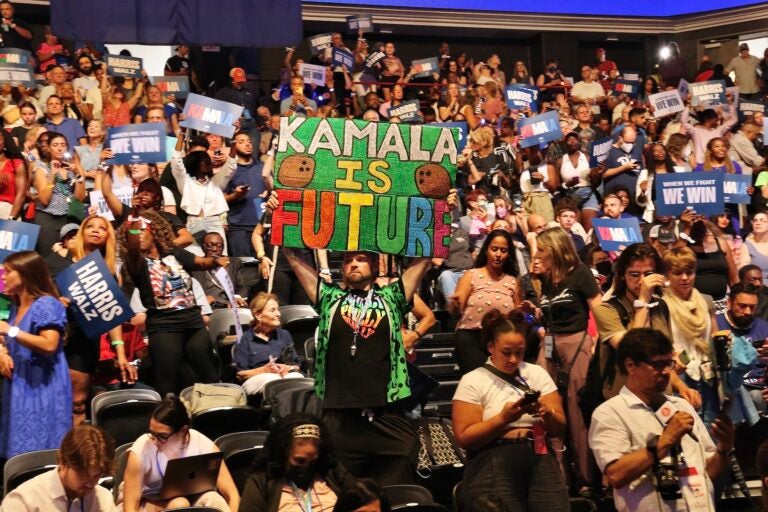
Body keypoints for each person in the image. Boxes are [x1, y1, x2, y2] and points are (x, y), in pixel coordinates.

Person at [588, 328, 735, 512]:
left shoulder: (682, 406)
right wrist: (665, 441)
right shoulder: (610, 413)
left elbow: (707, 474)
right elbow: (615, 475)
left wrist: (724, 448)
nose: (666, 372)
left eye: (669, 364)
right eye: (658, 365)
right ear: (630, 365)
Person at [452, 309, 569, 510]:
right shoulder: (473, 380)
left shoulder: (536, 373)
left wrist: (545, 412)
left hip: (538, 453)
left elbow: (560, 428)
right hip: (493, 457)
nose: (513, 359)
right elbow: (465, 438)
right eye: (506, 352)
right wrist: (503, 419)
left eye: (519, 352)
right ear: (491, 347)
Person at [118, 210, 222, 396]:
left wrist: (216, 262)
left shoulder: (174, 254)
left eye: (141, 230)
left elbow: (202, 262)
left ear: (154, 232)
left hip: (193, 321)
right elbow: (133, 249)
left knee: (209, 374)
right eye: (131, 234)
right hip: (164, 326)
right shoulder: (136, 263)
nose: (137, 236)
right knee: (167, 382)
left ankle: (212, 413)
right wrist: (133, 225)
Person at [46, 215, 136, 425]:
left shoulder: (108, 273)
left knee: (78, 402)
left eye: (102, 228)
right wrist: (54, 301)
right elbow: (35, 293)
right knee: (54, 401)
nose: (96, 230)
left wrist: (120, 353)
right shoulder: (56, 261)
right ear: (81, 231)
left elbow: (111, 317)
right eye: (90, 226)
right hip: (53, 337)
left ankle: (74, 453)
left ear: (108, 237)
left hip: (84, 343)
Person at [532, 227, 602, 490]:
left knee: (576, 413)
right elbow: (551, 312)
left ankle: (586, 480)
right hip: (550, 345)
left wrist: (597, 342)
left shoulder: (580, 273)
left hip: (577, 343)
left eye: (541, 249)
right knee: (548, 411)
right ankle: (559, 479)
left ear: (555, 249)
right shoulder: (548, 279)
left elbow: (599, 308)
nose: (537, 255)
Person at [593, 243, 701, 406]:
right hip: (626, 402)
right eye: (635, 274)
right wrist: (642, 301)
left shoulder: (660, 306)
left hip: (661, 398)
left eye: (649, 274)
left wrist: (680, 386)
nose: (642, 281)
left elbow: (664, 360)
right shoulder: (607, 309)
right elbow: (632, 349)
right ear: (622, 275)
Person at [0, 250, 70, 459]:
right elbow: (9, 338)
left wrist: (9, 330)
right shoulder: (17, 306)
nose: (2, 277)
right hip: (20, 383)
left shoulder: (46, 304)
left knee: (38, 450)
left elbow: (49, 344)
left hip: (42, 386)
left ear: (25, 274)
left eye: (7, 272)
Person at [121, 396, 240, 511]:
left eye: (162, 436)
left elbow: (233, 495)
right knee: (179, 504)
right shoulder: (142, 449)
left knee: (214, 499)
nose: (155, 441)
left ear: (183, 431)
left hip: (190, 499)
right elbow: (131, 506)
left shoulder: (201, 443)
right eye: (152, 434)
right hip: (148, 503)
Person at [239, 413, 356, 511]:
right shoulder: (261, 481)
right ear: (283, 453)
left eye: (312, 461)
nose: (306, 467)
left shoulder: (332, 473)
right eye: (300, 460)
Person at [662, 247, 720, 425]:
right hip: (680, 373)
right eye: (678, 273)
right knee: (687, 427)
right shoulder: (661, 304)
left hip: (708, 372)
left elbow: (716, 337)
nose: (685, 278)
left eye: (689, 272)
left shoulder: (706, 300)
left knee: (712, 426)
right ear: (667, 274)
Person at [0, 424, 116, 512]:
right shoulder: (23, 501)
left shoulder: (103, 500)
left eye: (96, 476)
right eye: (82, 475)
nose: (90, 484)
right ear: (63, 462)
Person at [451, 229, 520, 374]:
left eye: (503, 250)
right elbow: (455, 309)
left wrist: (528, 313)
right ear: (486, 251)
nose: (498, 254)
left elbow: (518, 316)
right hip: (471, 338)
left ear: (509, 254)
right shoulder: (471, 275)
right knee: (481, 381)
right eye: (494, 249)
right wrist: (454, 304)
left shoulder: (513, 281)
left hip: (502, 342)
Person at [233, 292, 303, 396]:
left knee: (298, 380)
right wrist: (264, 370)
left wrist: (287, 368)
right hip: (257, 378)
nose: (278, 314)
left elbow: (296, 365)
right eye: (272, 310)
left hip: (284, 376)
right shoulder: (245, 339)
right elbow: (240, 374)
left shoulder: (284, 335)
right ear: (258, 315)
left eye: (278, 309)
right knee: (273, 381)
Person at [31, 132, 86, 256]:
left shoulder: (72, 168)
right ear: (49, 148)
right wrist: (53, 177)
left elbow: (80, 198)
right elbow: (44, 200)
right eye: (55, 145)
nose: (60, 148)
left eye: (63, 145)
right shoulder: (42, 168)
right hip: (47, 218)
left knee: (71, 255)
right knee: (49, 257)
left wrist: (78, 175)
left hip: (68, 217)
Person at [739, 211, 768, 284]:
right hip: (758, 287)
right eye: (755, 221)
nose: (758, 223)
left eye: (763, 220)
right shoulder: (747, 246)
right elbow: (742, 271)